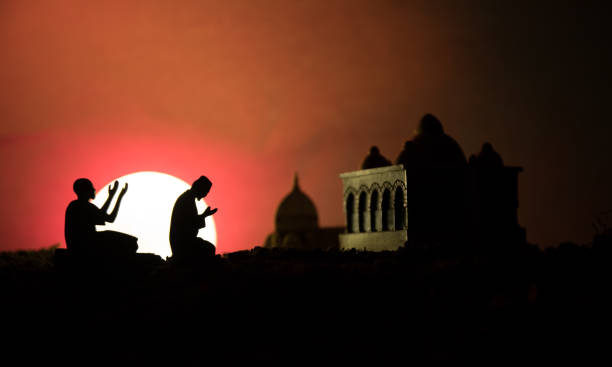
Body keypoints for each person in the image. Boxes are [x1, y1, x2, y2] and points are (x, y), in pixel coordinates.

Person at [64, 178, 138, 257]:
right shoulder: (76, 205)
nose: (94, 189)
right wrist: (111, 196)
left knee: (132, 242)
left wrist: (119, 197)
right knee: (130, 243)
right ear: (85, 190)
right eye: (91, 187)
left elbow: (110, 218)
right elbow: (101, 215)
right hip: (84, 243)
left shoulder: (88, 205)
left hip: (90, 240)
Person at [169, 175, 218, 261]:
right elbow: (190, 224)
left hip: (183, 241)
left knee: (209, 248)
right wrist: (204, 215)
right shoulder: (187, 200)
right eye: (205, 191)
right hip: (182, 243)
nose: (205, 195)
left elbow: (191, 221)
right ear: (200, 188)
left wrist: (204, 215)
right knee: (209, 249)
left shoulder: (188, 198)